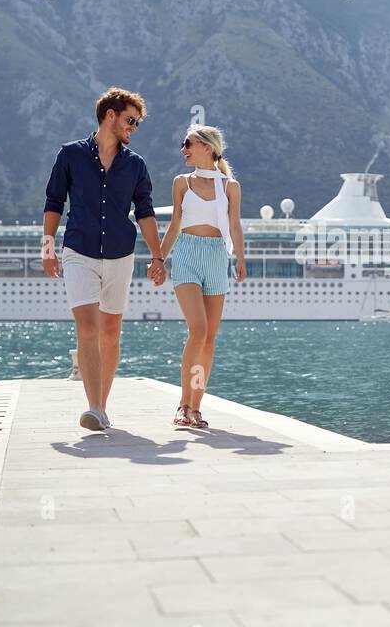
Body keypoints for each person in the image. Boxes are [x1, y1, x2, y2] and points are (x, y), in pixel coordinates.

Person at [42, 88, 167, 431]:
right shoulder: (70, 155)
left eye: (137, 123)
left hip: (120, 253)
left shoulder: (136, 165)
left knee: (110, 331)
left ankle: (103, 405)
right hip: (78, 250)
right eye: (130, 120)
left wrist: (157, 257)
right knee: (87, 327)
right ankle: (94, 407)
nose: (134, 127)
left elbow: (145, 213)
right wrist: (48, 247)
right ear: (110, 115)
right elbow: (54, 202)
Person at [158, 125, 246, 428]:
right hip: (186, 253)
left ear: (207, 147)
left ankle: (196, 407)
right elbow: (174, 225)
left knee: (209, 339)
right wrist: (158, 258)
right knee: (198, 330)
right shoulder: (181, 182)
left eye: (188, 144)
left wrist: (241, 261)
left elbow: (234, 226)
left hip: (217, 256)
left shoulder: (230, 187)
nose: (183, 150)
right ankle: (183, 405)